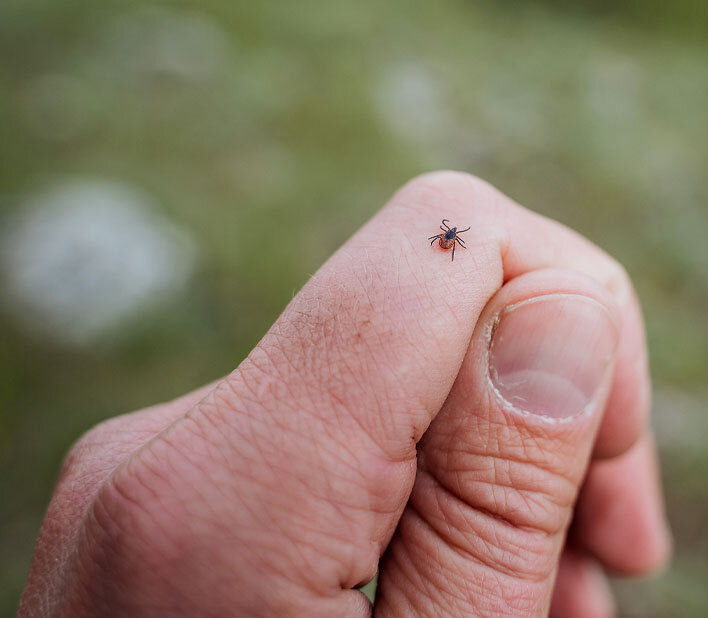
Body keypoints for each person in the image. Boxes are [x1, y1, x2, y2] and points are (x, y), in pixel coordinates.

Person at [18, 172, 670, 617]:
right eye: (448, 238)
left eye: (450, 238)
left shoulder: (449, 238)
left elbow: (448, 239)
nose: (449, 241)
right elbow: (449, 240)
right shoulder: (451, 240)